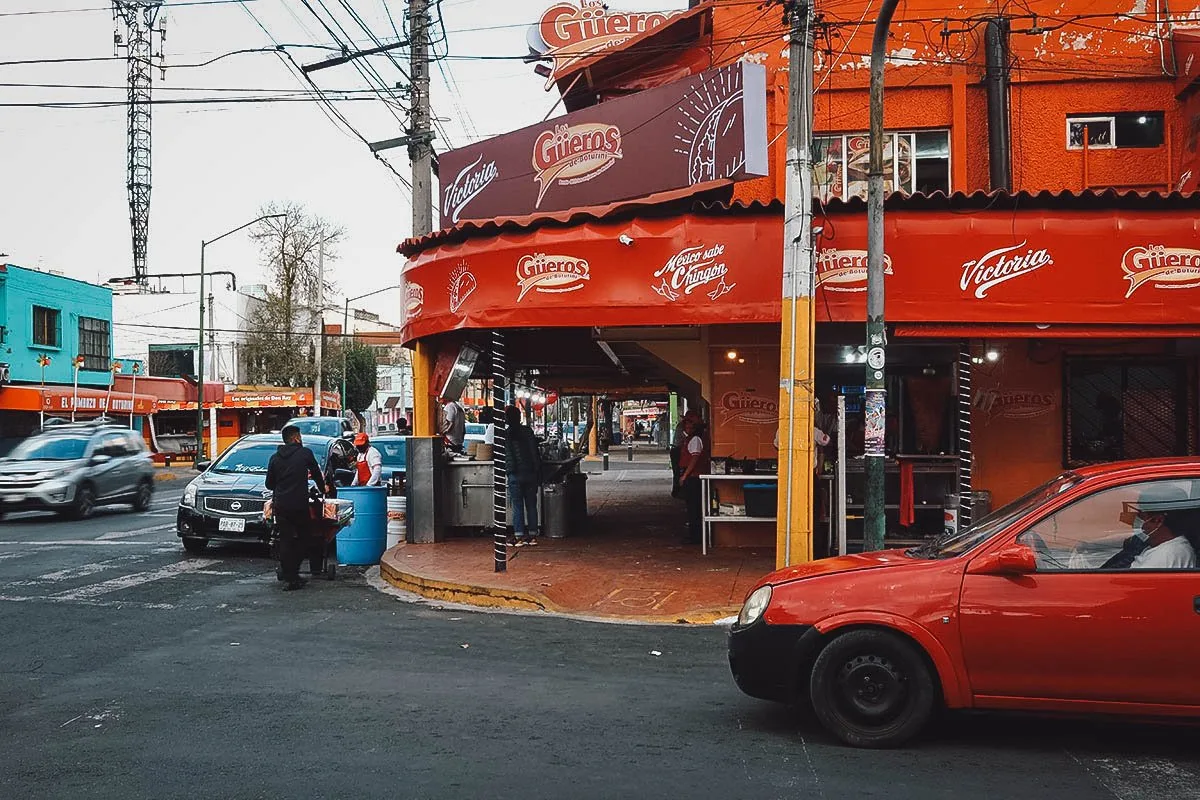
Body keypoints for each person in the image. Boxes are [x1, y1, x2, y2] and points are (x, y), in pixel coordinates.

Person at [265, 425, 325, 591]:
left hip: (281, 505)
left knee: (285, 540)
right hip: (299, 504)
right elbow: (316, 473)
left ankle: (289, 574)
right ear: (296, 438)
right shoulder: (305, 453)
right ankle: (293, 574)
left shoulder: (275, 458)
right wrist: (324, 488)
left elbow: (269, 484)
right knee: (304, 538)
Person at [504, 404, 542, 546]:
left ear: (507, 419)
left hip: (515, 474)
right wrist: (536, 469)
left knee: (518, 506)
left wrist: (510, 471)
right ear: (519, 417)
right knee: (531, 505)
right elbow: (534, 452)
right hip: (530, 473)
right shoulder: (527, 431)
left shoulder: (507, 434)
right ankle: (532, 536)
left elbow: (507, 456)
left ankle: (518, 536)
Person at [678, 414, 710, 546]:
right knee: (692, 507)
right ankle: (694, 535)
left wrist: (685, 475)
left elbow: (694, 459)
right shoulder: (690, 439)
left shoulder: (695, 440)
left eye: (690, 424)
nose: (687, 427)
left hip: (694, 478)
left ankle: (696, 537)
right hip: (691, 476)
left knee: (694, 508)